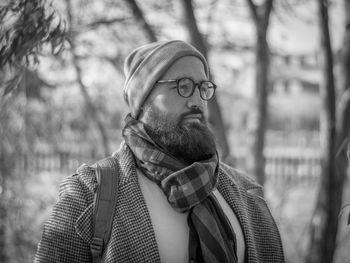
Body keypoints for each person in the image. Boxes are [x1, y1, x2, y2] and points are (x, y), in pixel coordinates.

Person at [34, 40, 285, 263]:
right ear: (143, 102)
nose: (196, 101)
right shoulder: (89, 193)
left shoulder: (247, 193)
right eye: (183, 85)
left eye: (202, 87)